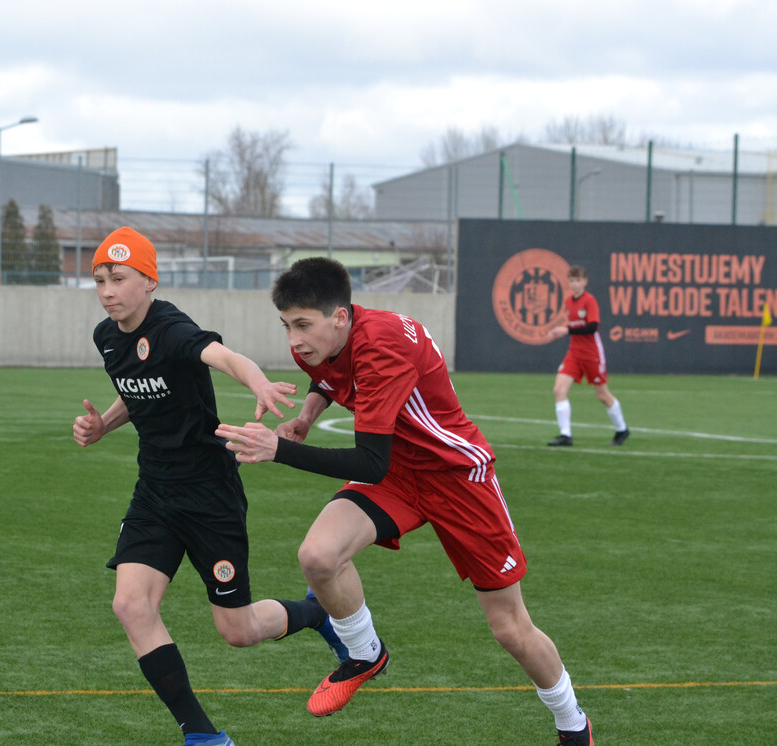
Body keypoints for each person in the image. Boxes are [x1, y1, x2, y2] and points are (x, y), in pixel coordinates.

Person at [215, 257, 594, 745]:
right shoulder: (321, 340)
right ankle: (365, 653)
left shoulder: (384, 346)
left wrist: (281, 449)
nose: (295, 340)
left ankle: (572, 724)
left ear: (340, 317)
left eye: (303, 325)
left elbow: (369, 462)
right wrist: (308, 416)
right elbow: (329, 379)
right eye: (287, 325)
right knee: (317, 556)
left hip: (458, 478)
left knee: (509, 628)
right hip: (399, 473)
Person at [74, 228, 346, 746]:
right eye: (100, 279)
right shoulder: (106, 336)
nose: (108, 289)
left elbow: (223, 357)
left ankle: (316, 612)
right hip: (154, 492)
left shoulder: (173, 329)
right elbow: (141, 391)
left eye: (120, 278)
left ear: (149, 281)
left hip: (208, 494)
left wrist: (258, 382)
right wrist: (102, 426)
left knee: (237, 631)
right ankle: (202, 736)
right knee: (131, 605)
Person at [545, 265, 629, 447]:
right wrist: (559, 332)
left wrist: (565, 330)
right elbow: (574, 328)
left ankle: (622, 429)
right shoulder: (568, 302)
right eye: (572, 280)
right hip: (574, 353)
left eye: (578, 280)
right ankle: (565, 435)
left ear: (585, 281)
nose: (575, 284)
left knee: (602, 395)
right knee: (559, 390)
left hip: (592, 354)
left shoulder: (589, 301)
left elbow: (592, 327)